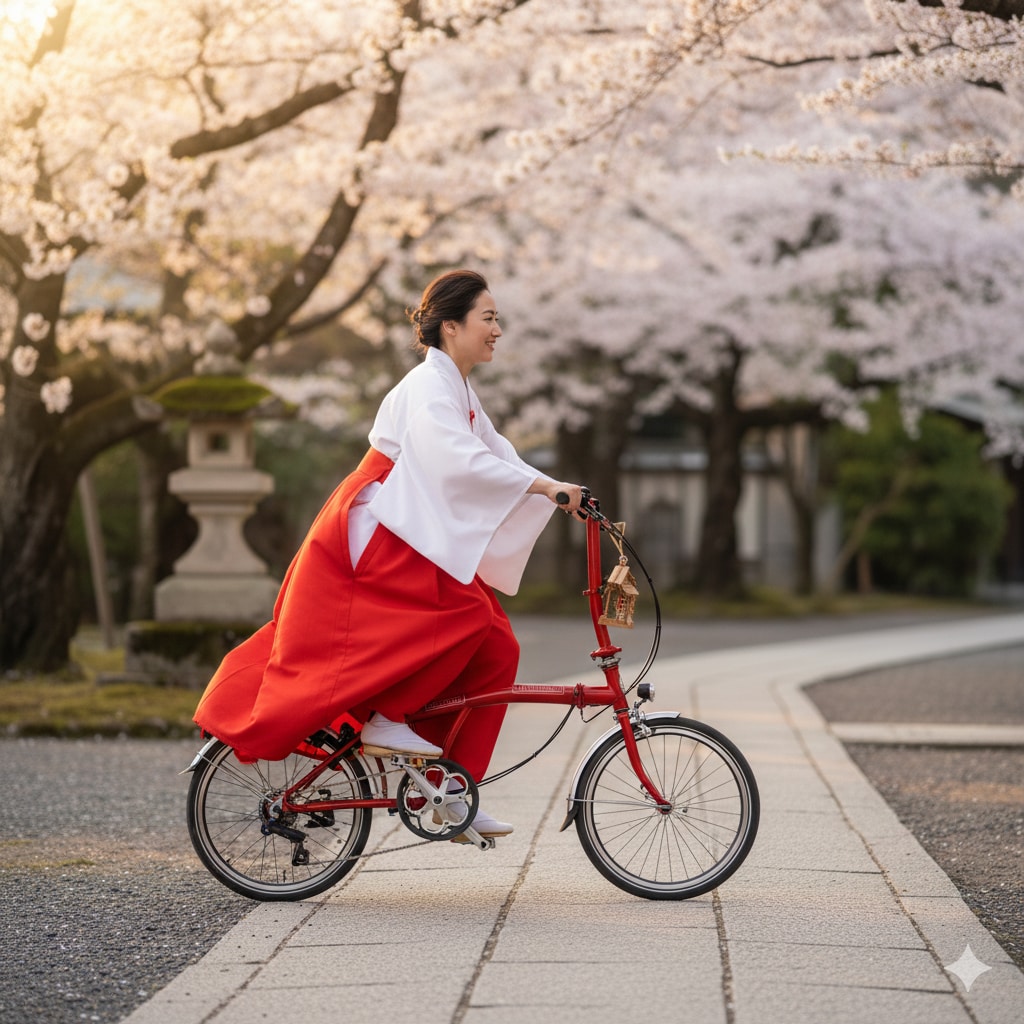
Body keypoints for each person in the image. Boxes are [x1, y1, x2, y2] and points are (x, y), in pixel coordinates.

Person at [193, 269, 584, 838]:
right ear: (451, 326)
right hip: (380, 527)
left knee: (498, 645)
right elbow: (456, 459)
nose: (498, 329)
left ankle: (451, 791)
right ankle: (390, 716)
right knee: (468, 617)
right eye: (489, 318)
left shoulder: (458, 388)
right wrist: (545, 489)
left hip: (406, 527)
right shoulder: (427, 388)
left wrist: (559, 488)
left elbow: (499, 455)